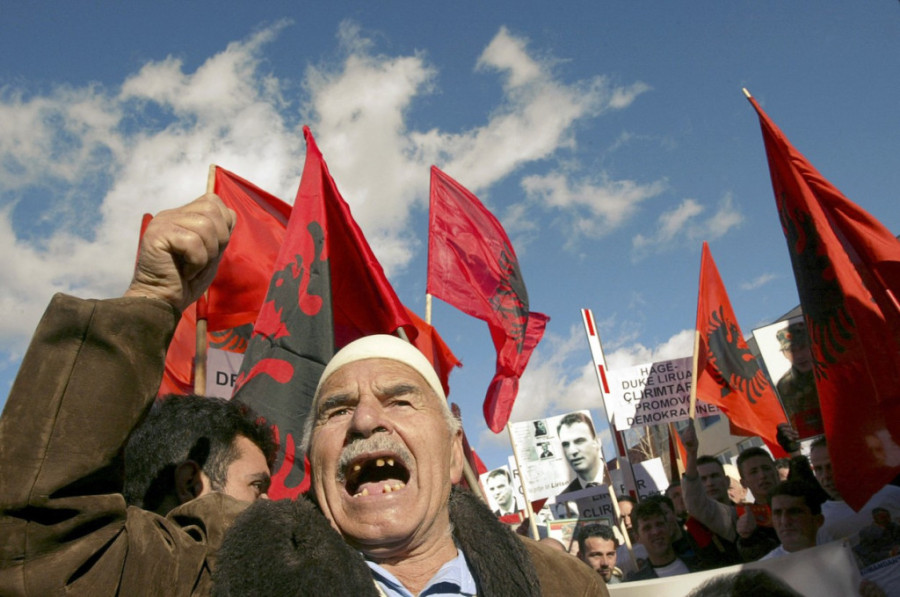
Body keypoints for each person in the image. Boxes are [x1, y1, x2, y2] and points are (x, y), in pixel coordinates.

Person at [0, 194, 276, 596]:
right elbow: (38, 538)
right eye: (257, 486)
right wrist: (151, 297)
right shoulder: (119, 578)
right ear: (190, 483)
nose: (271, 503)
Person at [213, 335, 608, 596]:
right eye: (338, 410)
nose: (364, 421)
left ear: (454, 453)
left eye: (399, 401)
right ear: (314, 462)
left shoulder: (565, 584)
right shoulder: (227, 569)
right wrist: (154, 300)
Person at [808, 437, 900, 545]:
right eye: (818, 469)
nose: (825, 476)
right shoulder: (820, 522)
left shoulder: (892, 495)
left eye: (831, 466)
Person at [680, 422, 743, 568]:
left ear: (726, 481)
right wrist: (691, 454)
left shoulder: (748, 512)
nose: (709, 483)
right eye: (702, 479)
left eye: (714, 476)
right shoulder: (693, 527)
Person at [624, 500, 700, 581]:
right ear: (637, 537)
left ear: (669, 528)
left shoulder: (700, 565)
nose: (656, 532)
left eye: (659, 524)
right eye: (647, 528)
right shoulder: (636, 583)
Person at [774, 321, 823, 437]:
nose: (799, 355)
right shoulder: (783, 385)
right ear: (784, 354)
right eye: (791, 350)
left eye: (802, 347)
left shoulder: (831, 373)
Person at [734, 446, 781, 561]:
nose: (762, 475)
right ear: (743, 482)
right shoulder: (744, 521)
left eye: (766, 468)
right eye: (753, 472)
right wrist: (748, 538)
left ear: (776, 471)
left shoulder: (800, 502)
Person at [761, 480, 824, 560]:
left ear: (818, 520)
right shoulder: (763, 568)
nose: (785, 521)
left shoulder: (840, 556)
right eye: (777, 513)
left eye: (794, 512)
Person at [557, 412, 605, 493]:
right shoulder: (566, 496)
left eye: (579, 441)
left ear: (597, 442)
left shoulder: (622, 477)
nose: (572, 451)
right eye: (566, 444)